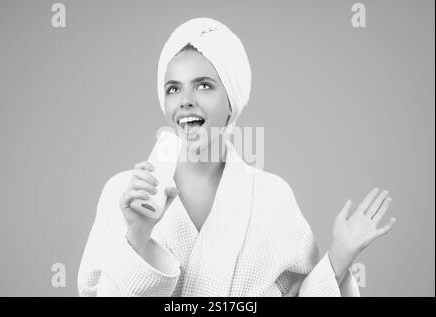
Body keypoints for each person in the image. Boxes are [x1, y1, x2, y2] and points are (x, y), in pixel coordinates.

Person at [77, 17, 396, 297]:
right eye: (173, 89)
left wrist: (339, 257)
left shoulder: (272, 196)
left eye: (203, 85)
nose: (185, 100)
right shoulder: (125, 194)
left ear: (232, 101)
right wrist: (137, 234)